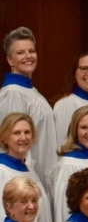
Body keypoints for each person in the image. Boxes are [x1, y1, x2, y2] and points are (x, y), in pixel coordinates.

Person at [0, 27, 56, 184]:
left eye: (31, 51)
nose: (28, 56)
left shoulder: (32, 91)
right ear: (10, 60)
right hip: (24, 178)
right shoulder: (13, 93)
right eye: (20, 53)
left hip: (40, 174)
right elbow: (14, 142)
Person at [0, 113, 52, 222]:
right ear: (5, 137)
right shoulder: (2, 171)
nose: (23, 137)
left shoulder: (30, 171)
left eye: (27, 132)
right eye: (16, 133)